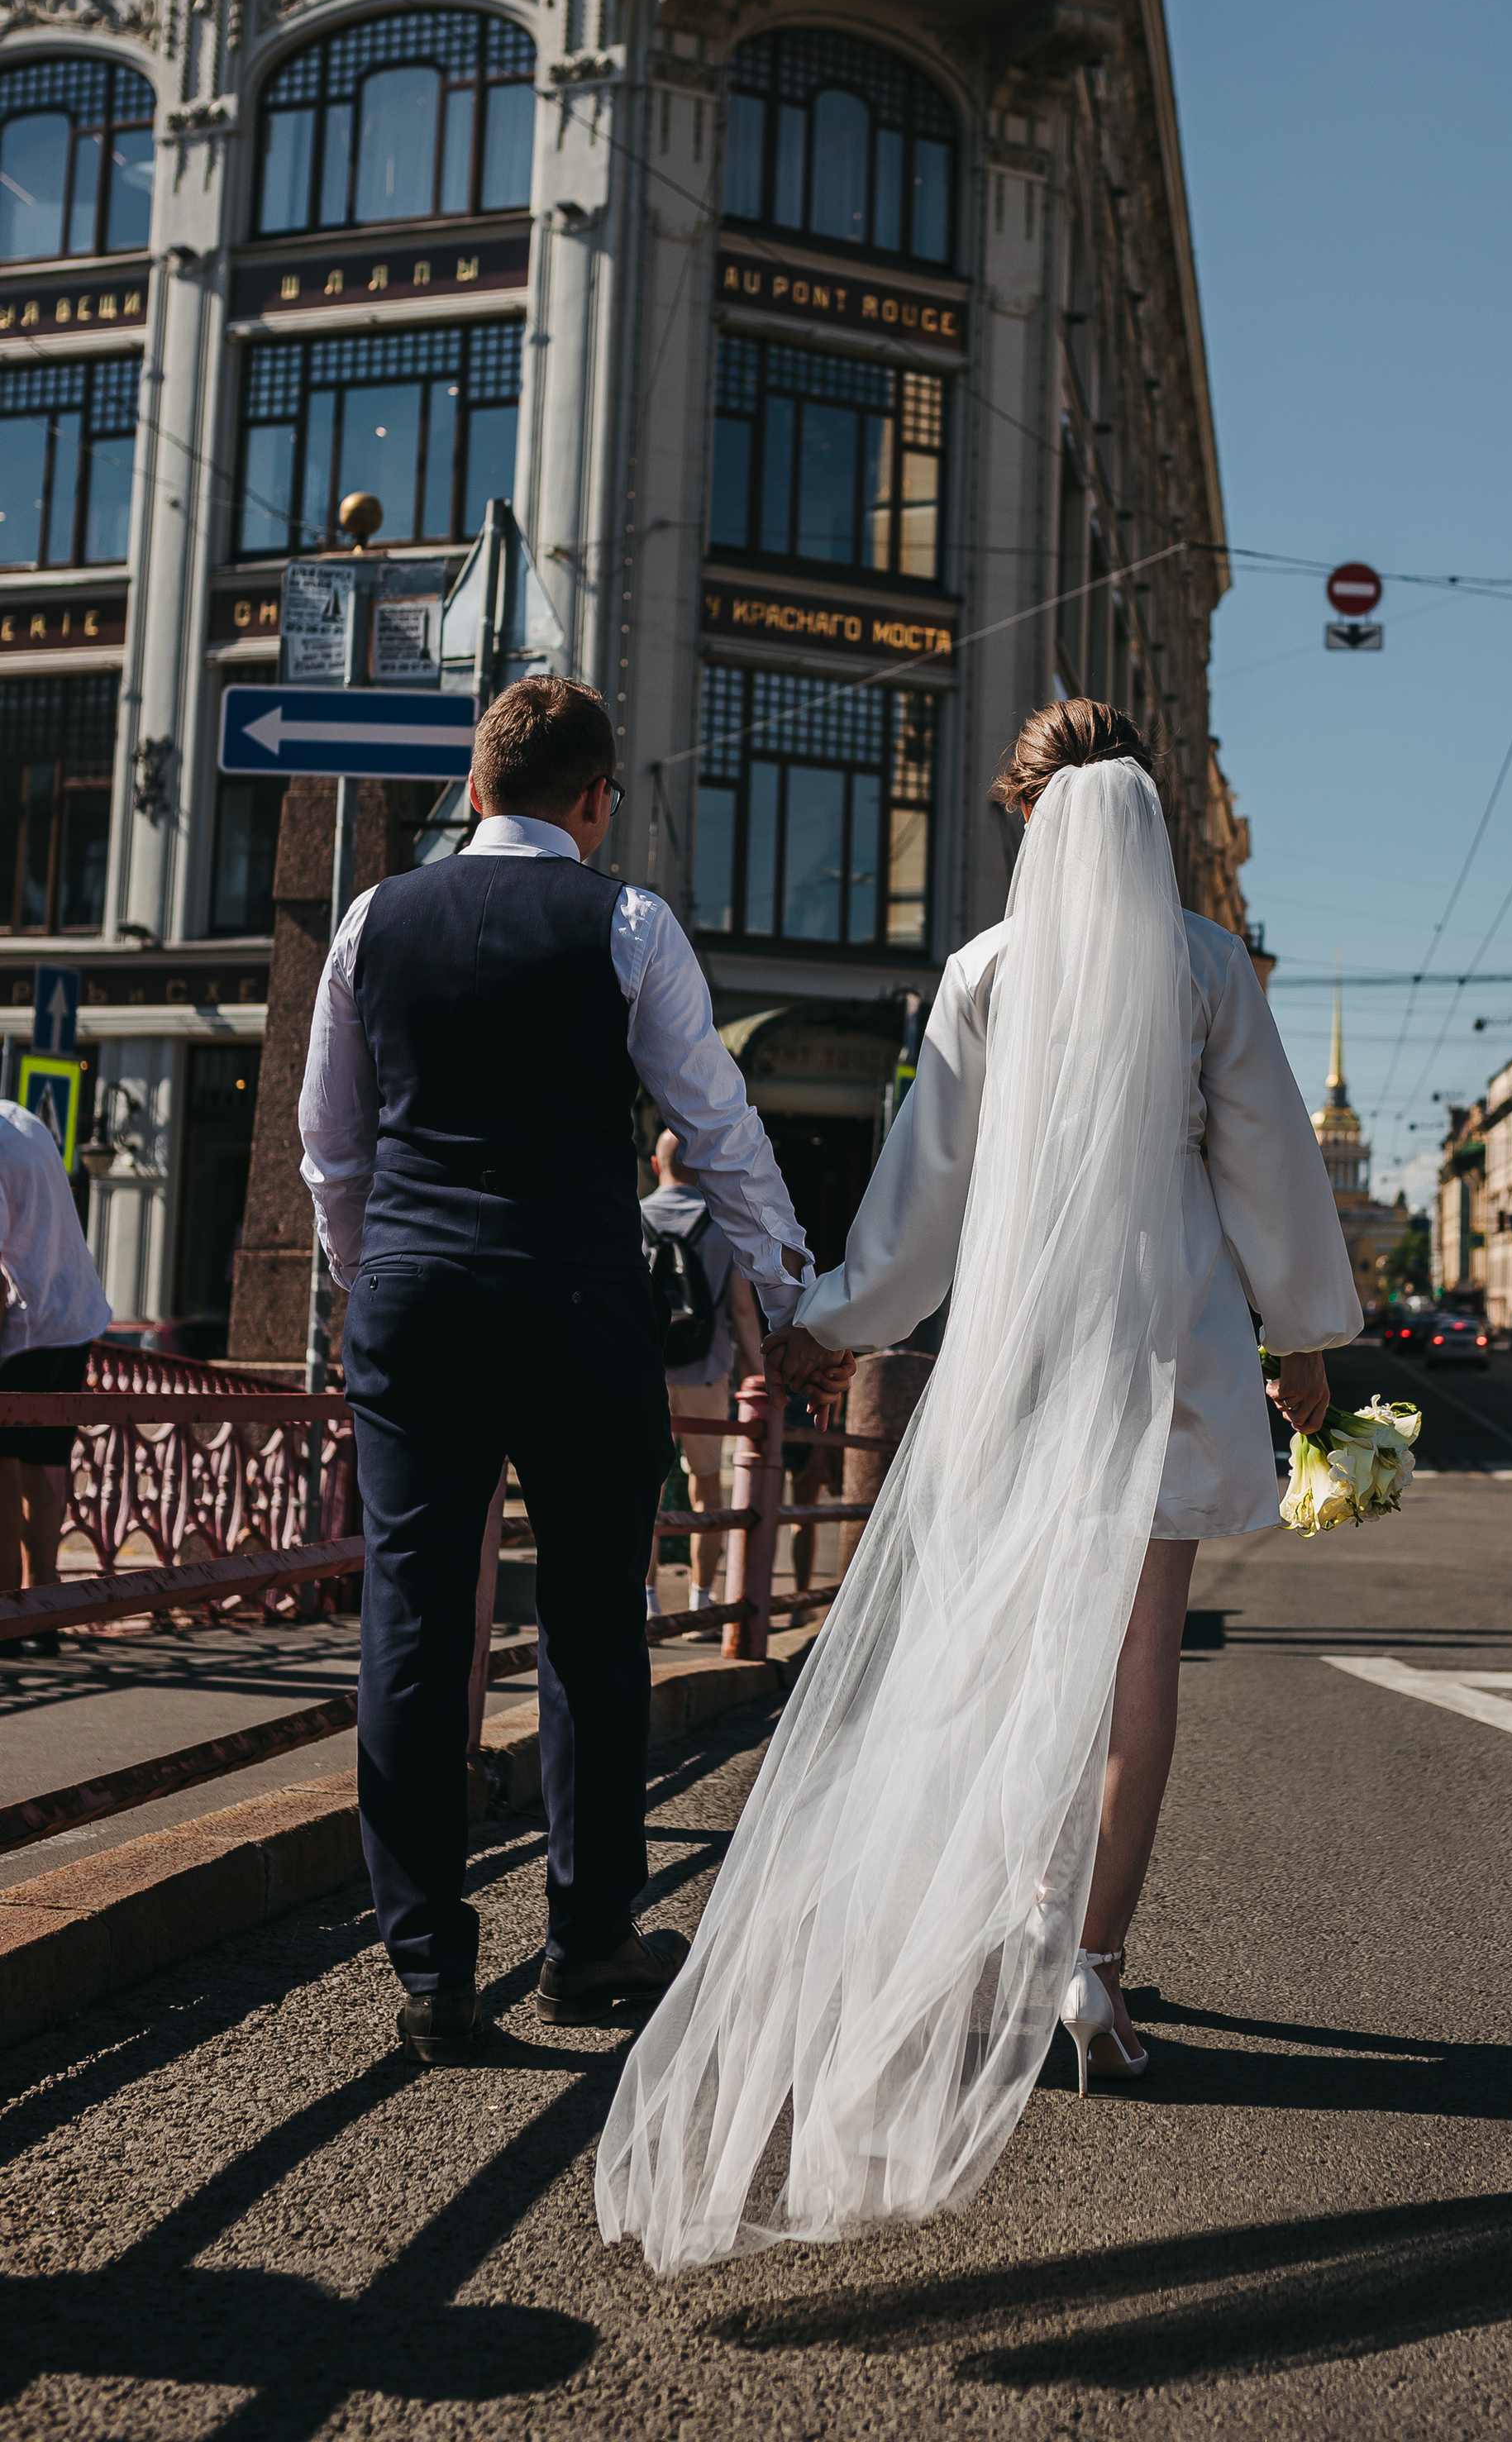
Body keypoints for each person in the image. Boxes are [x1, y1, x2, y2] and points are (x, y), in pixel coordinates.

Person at [597, 698, 1362, 2266]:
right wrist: (1306, 1340)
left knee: (1003, 1636)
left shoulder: (989, 974)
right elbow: (1271, 1165)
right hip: (1170, 1335)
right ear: (1146, 817)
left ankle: (977, 1919)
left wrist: (830, 1327)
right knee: (1142, 1649)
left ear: (1030, 817)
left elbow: (925, 1196)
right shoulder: (1211, 966)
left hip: (1023, 1335)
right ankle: (1090, 1957)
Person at [298, 675, 849, 2065]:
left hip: (416, 1303)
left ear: (474, 791)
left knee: (417, 1621)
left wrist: (384, 1285)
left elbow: (332, 1147)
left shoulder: (373, 919)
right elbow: (714, 1128)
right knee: (597, 1616)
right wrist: (790, 1304)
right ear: (596, 802)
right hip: (575, 1300)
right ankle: (590, 1937)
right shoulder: (627, 921)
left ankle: (429, 1971)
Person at [0, 1100, 114, 1658]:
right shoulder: (21, 1119)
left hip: (26, 1327)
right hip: (75, 1320)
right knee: (44, 1466)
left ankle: (4, 1612)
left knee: (1, 1470)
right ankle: (43, 1610)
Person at [639, 1129, 766, 1624]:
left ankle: (647, 1602)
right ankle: (701, 1599)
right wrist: (763, 1381)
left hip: (642, 1374)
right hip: (707, 1373)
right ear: (701, 1169)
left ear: (655, 1164)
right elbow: (740, 1308)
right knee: (707, 1488)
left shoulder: (632, 1217)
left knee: (642, 1488)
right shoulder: (721, 1227)